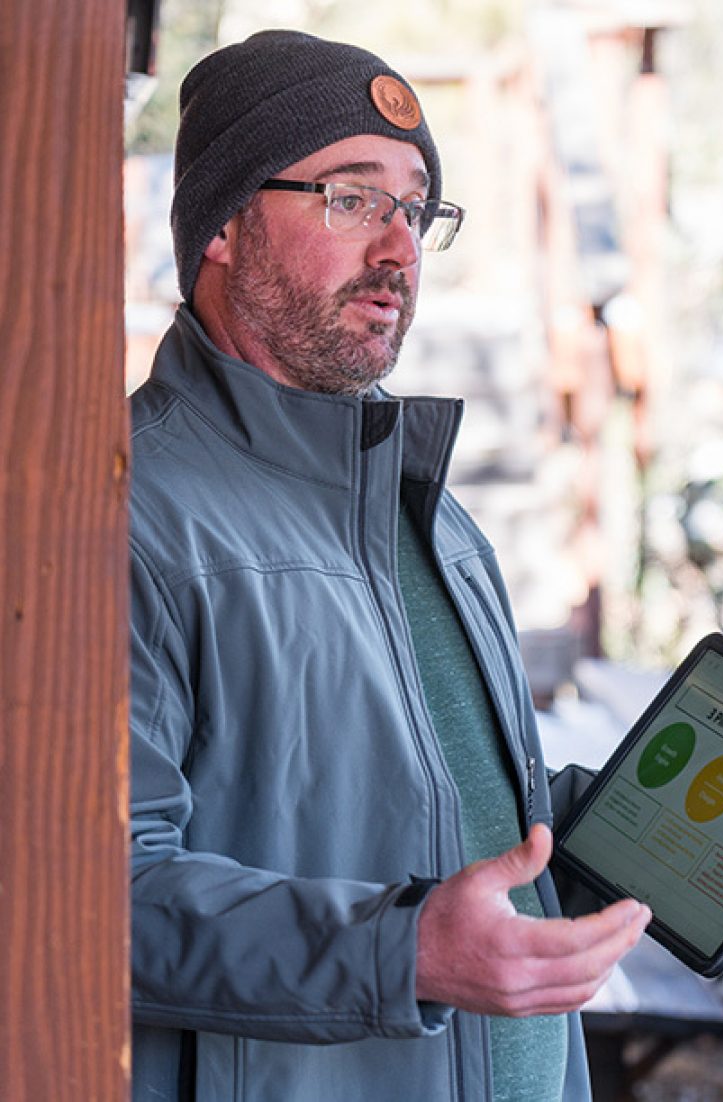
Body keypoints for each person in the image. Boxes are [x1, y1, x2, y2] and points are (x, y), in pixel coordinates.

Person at [129, 30, 650, 1102]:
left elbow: (412, 799)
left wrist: (624, 828)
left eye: (415, 209)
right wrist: (401, 952)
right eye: (352, 199)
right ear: (223, 226)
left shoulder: (428, 511)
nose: (399, 250)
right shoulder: (127, 513)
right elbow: (85, 891)